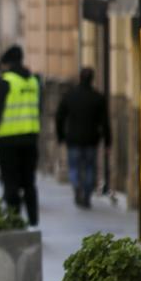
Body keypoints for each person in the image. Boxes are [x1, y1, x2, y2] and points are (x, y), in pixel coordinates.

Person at [0, 45, 41, 225]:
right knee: (29, 183)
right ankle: (34, 221)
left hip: (8, 140)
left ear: (7, 64)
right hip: (30, 138)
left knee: (10, 182)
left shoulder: (5, 81)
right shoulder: (34, 81)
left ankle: (14, 219)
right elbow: (38, 109)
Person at [56, 67, 111, 208]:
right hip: (91, 140)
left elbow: (59, 116)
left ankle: (77, 187)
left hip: (73, 139)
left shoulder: (70, 96)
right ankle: (86, 194)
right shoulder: (98, 98)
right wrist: (107, 141)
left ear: (80, 78)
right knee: (90, 168)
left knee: (74, 167)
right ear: (92, 79)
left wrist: (61, 135)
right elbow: (105, 122)